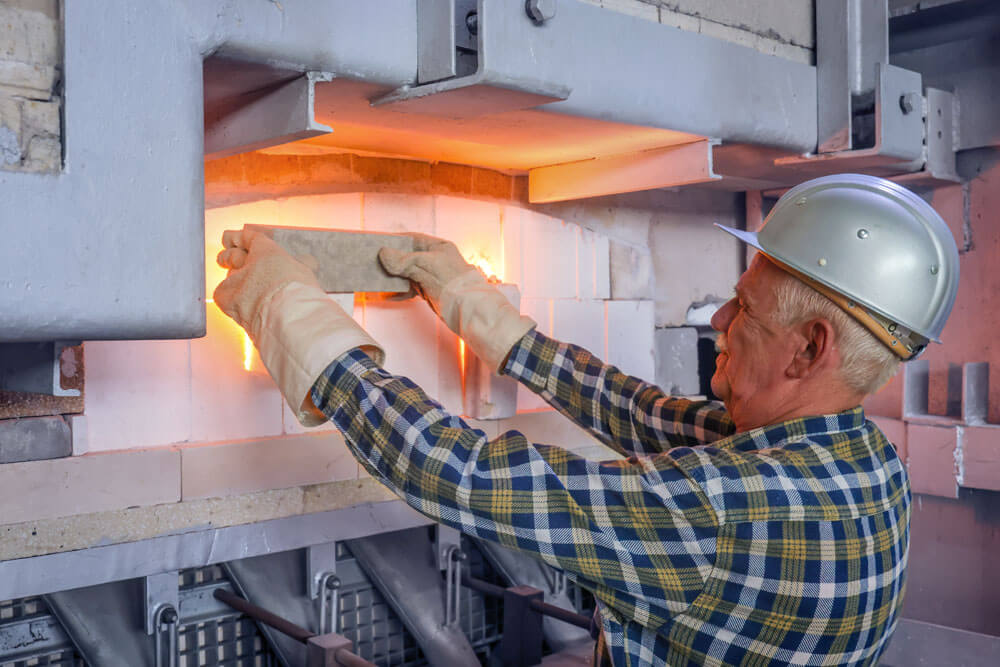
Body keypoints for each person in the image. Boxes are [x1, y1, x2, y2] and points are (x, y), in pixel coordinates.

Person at [214, 174, 959, 666]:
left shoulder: (723, 511)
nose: (722, 320)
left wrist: (302, 327)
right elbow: (648, 415)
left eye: (747, 308)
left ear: (809, 348)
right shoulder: (862, 459)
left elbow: (460, 475)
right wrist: (501, 329)